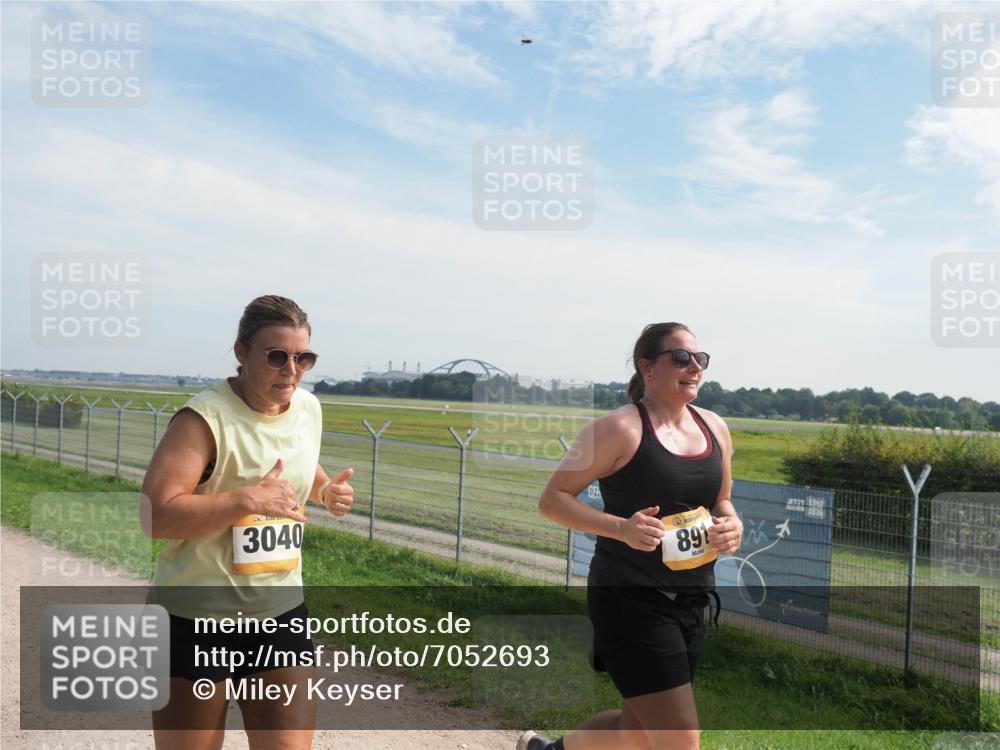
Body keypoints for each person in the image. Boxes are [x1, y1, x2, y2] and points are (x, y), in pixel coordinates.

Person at [141, 295, 355, 750]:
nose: (291, 370)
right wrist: (245, 500)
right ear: (241, 352)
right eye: (277, 356)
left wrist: (323, 490)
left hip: (278, 615)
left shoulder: (308, 409)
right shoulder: (203, 419)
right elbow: (156, 515)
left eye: (304, 358)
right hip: (194, 619)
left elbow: (291, 463)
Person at [518, 322, 742, 750]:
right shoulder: (616, 430)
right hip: (630, 599)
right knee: (680, 741)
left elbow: (724, 501)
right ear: (647, 366)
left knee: (635, 732)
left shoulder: (716, 427)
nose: (694, 366)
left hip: (692, 600)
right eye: (680, 357)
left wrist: (733, 525)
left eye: (700, 359)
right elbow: (553, 500)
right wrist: (621, 528)